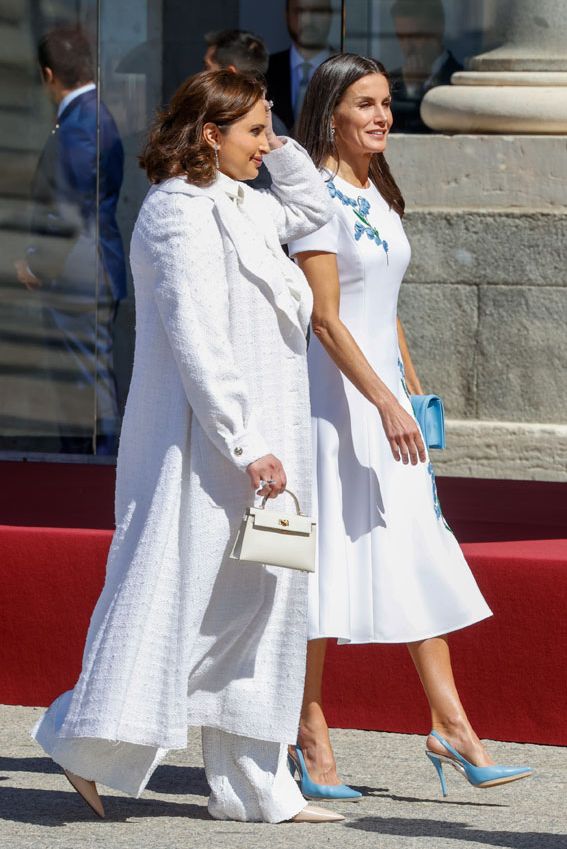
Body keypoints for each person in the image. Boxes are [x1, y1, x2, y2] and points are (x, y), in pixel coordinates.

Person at [30, 69, 343, 825]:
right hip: (205, 449)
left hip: (266, 443)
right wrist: (245, 441)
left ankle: (251, 783)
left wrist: (277, 135)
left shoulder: (245, 201)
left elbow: (314, 209)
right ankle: (84, 733)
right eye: (253, 133)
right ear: (210, 135)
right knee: (180, 598)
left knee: (261, 604)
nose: (266, 146)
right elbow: (197, 339)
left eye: (269, 130)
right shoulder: (177, 212)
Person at [287, 53, 533, 800]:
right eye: (364, 103)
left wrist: (412, 387)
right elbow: (325, 321)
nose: (381, 115)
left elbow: (382, 305)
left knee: (418, 549)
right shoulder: (317, 197)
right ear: (329, 111)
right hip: (333, 404)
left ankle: (451, 724)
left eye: (387, 101)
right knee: (326, 564)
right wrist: (383, 401)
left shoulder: (376, 188)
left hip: (389, 401)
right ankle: (308, 729)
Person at [15, 26, 126, 454]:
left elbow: (69, 209)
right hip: (84, 269)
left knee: (89, 385)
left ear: (48, 75)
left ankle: (101, 471)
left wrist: (36, 262)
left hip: (78, 272)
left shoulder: (82, 122)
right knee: (82, 387)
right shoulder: (90, 115)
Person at [203, 29, 287, 188]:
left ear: (229, 74)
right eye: (255, 131)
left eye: (207, 67)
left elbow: (264, 192)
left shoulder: (274, 129)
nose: (263, 145)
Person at [389, 0, 462, 133]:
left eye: (415, 36)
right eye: (401, 37)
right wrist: (411, 89)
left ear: (437, 30)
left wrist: (413, 91)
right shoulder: (391, 81)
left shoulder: (459, 79)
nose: (407, 46)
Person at [266, 0, 335, 133]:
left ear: (330, 15)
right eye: (300, 11)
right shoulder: (265, 70)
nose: (307, 20)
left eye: (317, 11)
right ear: (287, 15)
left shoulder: (348, 72)